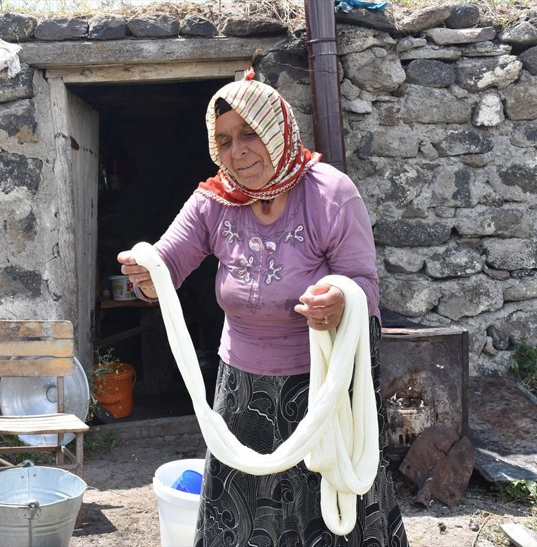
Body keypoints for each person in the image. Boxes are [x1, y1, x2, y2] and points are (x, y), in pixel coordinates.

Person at [118, 69, 409, 546]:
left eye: (250, 133)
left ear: (276, 130)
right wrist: (146, 277)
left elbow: (364, 286)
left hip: (322, 388)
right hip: (241, 391)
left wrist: (340, 303)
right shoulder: (214, 201)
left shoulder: (330, 194)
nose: (238, 152)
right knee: (244, 514)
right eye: (225, 140)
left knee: (331, 508)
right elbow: (168, 262)